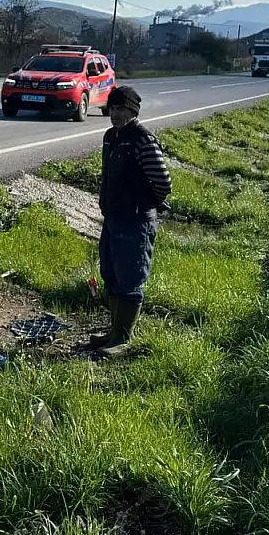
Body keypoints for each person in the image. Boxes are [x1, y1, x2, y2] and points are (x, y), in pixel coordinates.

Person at [87, 85, 171, 358]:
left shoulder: (142, 139)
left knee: (130, 278)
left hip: (136, 221)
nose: (116, 114)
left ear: (133, 112)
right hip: (113, 218)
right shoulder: (111, 137)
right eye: (112, 108)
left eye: (122, 109)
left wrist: (144, 203)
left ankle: (123, 339)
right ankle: (113, 333)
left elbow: (163, 183)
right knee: (111, 274)